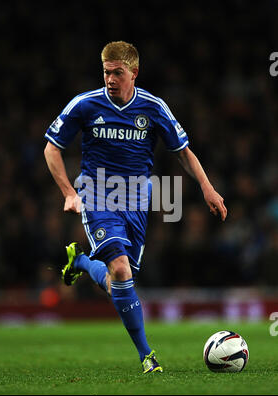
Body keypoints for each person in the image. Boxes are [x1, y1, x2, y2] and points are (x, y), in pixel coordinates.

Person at [44, 41, 227, 374]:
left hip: (137, 202)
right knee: (122, 270)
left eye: (117, 73)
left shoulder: (153, 108)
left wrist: (208, 188)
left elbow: (183, 152)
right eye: (106, 72)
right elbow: (51, 148)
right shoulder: (85, 105)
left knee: (118, 281)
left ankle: (83, 262)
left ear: (134, 73)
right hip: (97, 195)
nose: (110, 79)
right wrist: (70, 192)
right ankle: (147, 356)